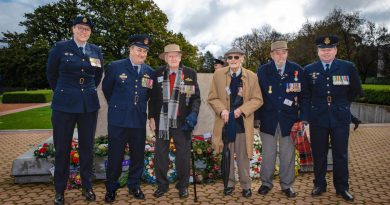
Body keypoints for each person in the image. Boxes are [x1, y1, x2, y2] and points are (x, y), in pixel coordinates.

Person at [46, 15, 103, 205]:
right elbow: (51, 73)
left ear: (90, 32)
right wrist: (64, 92)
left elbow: (98, 76)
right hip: (64, 104)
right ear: (73, 29)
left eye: (86, 29)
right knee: (62, 148)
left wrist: (85, 91)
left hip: (88, 104)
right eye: (80, 28)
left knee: (86, 147)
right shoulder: (61, 47)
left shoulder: (96, 51)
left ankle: (87, 187)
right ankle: (60, 190)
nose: (83, 32)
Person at [301, 35, 363, 201]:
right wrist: (305, 118)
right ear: (318, 51)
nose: (326, 52)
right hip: (317, 118)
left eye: (329, 49)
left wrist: (343, 104)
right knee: (319, 153)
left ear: (336, 50)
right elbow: (305, 96)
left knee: (340, 154)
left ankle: (342, 187)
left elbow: (356, 89)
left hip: (340, 117)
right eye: (323, 49)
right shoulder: (309, 69)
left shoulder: (347, 67)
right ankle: (319, 184)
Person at [102, 34, 154, 203]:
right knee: (115, 156)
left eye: (145, 51)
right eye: (139, 50)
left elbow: (149, 95)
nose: (142, 54)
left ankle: (134, 186)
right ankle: (111, 188)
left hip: (138, 120)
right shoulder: (116, 67)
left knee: (138, 156)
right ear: (130, 49)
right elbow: (107, 90)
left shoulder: (149, 72)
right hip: (118, 121)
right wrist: (120, 106)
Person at [208, 47, 263, 198]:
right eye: (230, 57)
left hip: (242, 123)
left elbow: (258, 99)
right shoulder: (218, 75)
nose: (233, 60)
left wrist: (242, 110)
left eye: (236, 57)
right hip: (225, 122)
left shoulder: (251, 76)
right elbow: (212, 98)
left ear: (242, 59)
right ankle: (229, 184)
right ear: (226, 60)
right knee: (227, 155)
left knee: (243, 156)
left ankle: (246, 185)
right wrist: (222, 110)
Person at [148, 44, 201, 199]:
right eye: (169, 56)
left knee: (183, 155)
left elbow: (196, 98)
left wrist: (193, 115)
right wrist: (151, 117)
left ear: (180, 57)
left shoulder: (190, 73)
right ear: (165, 57)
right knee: (161, 154)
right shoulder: (157, 73)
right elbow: (152, 98)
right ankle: (162, 185)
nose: (172, 58)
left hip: (182, 121)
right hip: (162, 120)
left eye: (175, 55)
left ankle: (183, 186)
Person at [255, 40, 303, 198]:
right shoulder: (263, 71)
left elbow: (304, 96)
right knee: (268, 153)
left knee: (287, 154)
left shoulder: (296, 70)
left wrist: (302, 118)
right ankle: (266, 183)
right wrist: (256, 118)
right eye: (277, 52)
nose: (280, 55)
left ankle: (287, 185)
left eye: (283, 52)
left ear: (287, 53)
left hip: (289, 121)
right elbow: (257, 96)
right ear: (271, 55)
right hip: (267, 119)